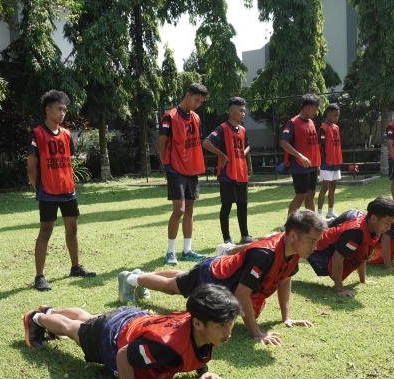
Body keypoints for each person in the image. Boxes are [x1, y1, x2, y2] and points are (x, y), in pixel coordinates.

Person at [22, 284, 240, 379]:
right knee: (73, 329)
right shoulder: (165, 346)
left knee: (87, 320)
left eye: (230, 323)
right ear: (198, 323)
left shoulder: (201, 321)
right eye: (221, 325)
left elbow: (195, 346)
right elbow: (124, 356)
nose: (227, 331)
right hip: (112, 334)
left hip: (134, 320)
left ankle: (50, 311)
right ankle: (36, 317)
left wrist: (203, 370)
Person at [118, 210, 329, 345]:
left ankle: (140, 276)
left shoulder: (294, 251)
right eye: (312, 240)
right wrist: (256, 333)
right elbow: (241, 294)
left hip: (224, 273)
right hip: (212, 276)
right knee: (172, 287)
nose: (315, 246)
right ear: (293, 236)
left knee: (181, 278)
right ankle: (131, 279)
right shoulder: (265, 255)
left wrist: (286, 317)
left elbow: (284, 279)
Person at [27, 90, 96, 292]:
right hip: (47, 192)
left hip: (67, 190)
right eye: (59, 109)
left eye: (65, 109)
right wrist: (40, 188)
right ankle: (39, 277)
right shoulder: (37, 134)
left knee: (72, 229)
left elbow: (69, 162)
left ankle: (76, 267)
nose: (62, 113)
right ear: (48, 110)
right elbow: (32, 167)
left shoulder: (66, 134)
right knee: (46, 231)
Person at [159, 83, 210, 265]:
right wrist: (166, 164)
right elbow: (162, 143)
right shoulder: (169, 117)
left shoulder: (195, 118)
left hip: (192, 168)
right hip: (175, 168)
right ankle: (170, 252)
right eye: (196, 100)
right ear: (187, 95)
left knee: (189, 209)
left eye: (201, 102)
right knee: (179, 209)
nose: (198, 104)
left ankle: (187, 250)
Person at [307, 196, 394, 297]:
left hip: (320, 248)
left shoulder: (372, 227)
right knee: (292, 257)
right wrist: (340, 289)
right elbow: (337, 258)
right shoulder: (356, 232)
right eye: (387, 223)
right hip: (315, 249)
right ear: (373, 218)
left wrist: (363, 279)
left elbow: (363, 252)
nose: (389, 227)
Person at [202, 97, 254, 245]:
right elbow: (206, 142)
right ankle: (227, 238)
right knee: (227, 206)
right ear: (232, 111)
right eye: (240, 110)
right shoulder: (222, 128)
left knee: (242, 205)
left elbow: (248, 145)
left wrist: (244, 151)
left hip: (241, 173)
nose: (243, 113)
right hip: (228, 174)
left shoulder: (242, 130)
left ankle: (245, 235)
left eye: (244, 111)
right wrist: (222, 155)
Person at [280, 94, 322, 214]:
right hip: (299, 165)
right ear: (307, 107)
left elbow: (313, 145)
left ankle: (311, 223)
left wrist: (317, 164)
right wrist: (300, 156)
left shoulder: (311, 122)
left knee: (311, 195)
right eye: (315, 109)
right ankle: (289, 224)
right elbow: (283, 142)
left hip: (312, 165)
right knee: (301, 195)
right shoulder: (293, 123)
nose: (315, 112)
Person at [317, 103, 343, 219]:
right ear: (328, 115)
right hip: (326, 162)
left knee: (333, 186)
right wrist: (318, 163)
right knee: (325, 187)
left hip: (336, 161)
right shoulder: (323, 128)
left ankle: (330, 212)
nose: (336, 118)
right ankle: (319, 213)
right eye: (334, 115)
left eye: (338, 116)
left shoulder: (336, 128)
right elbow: (320, 147)